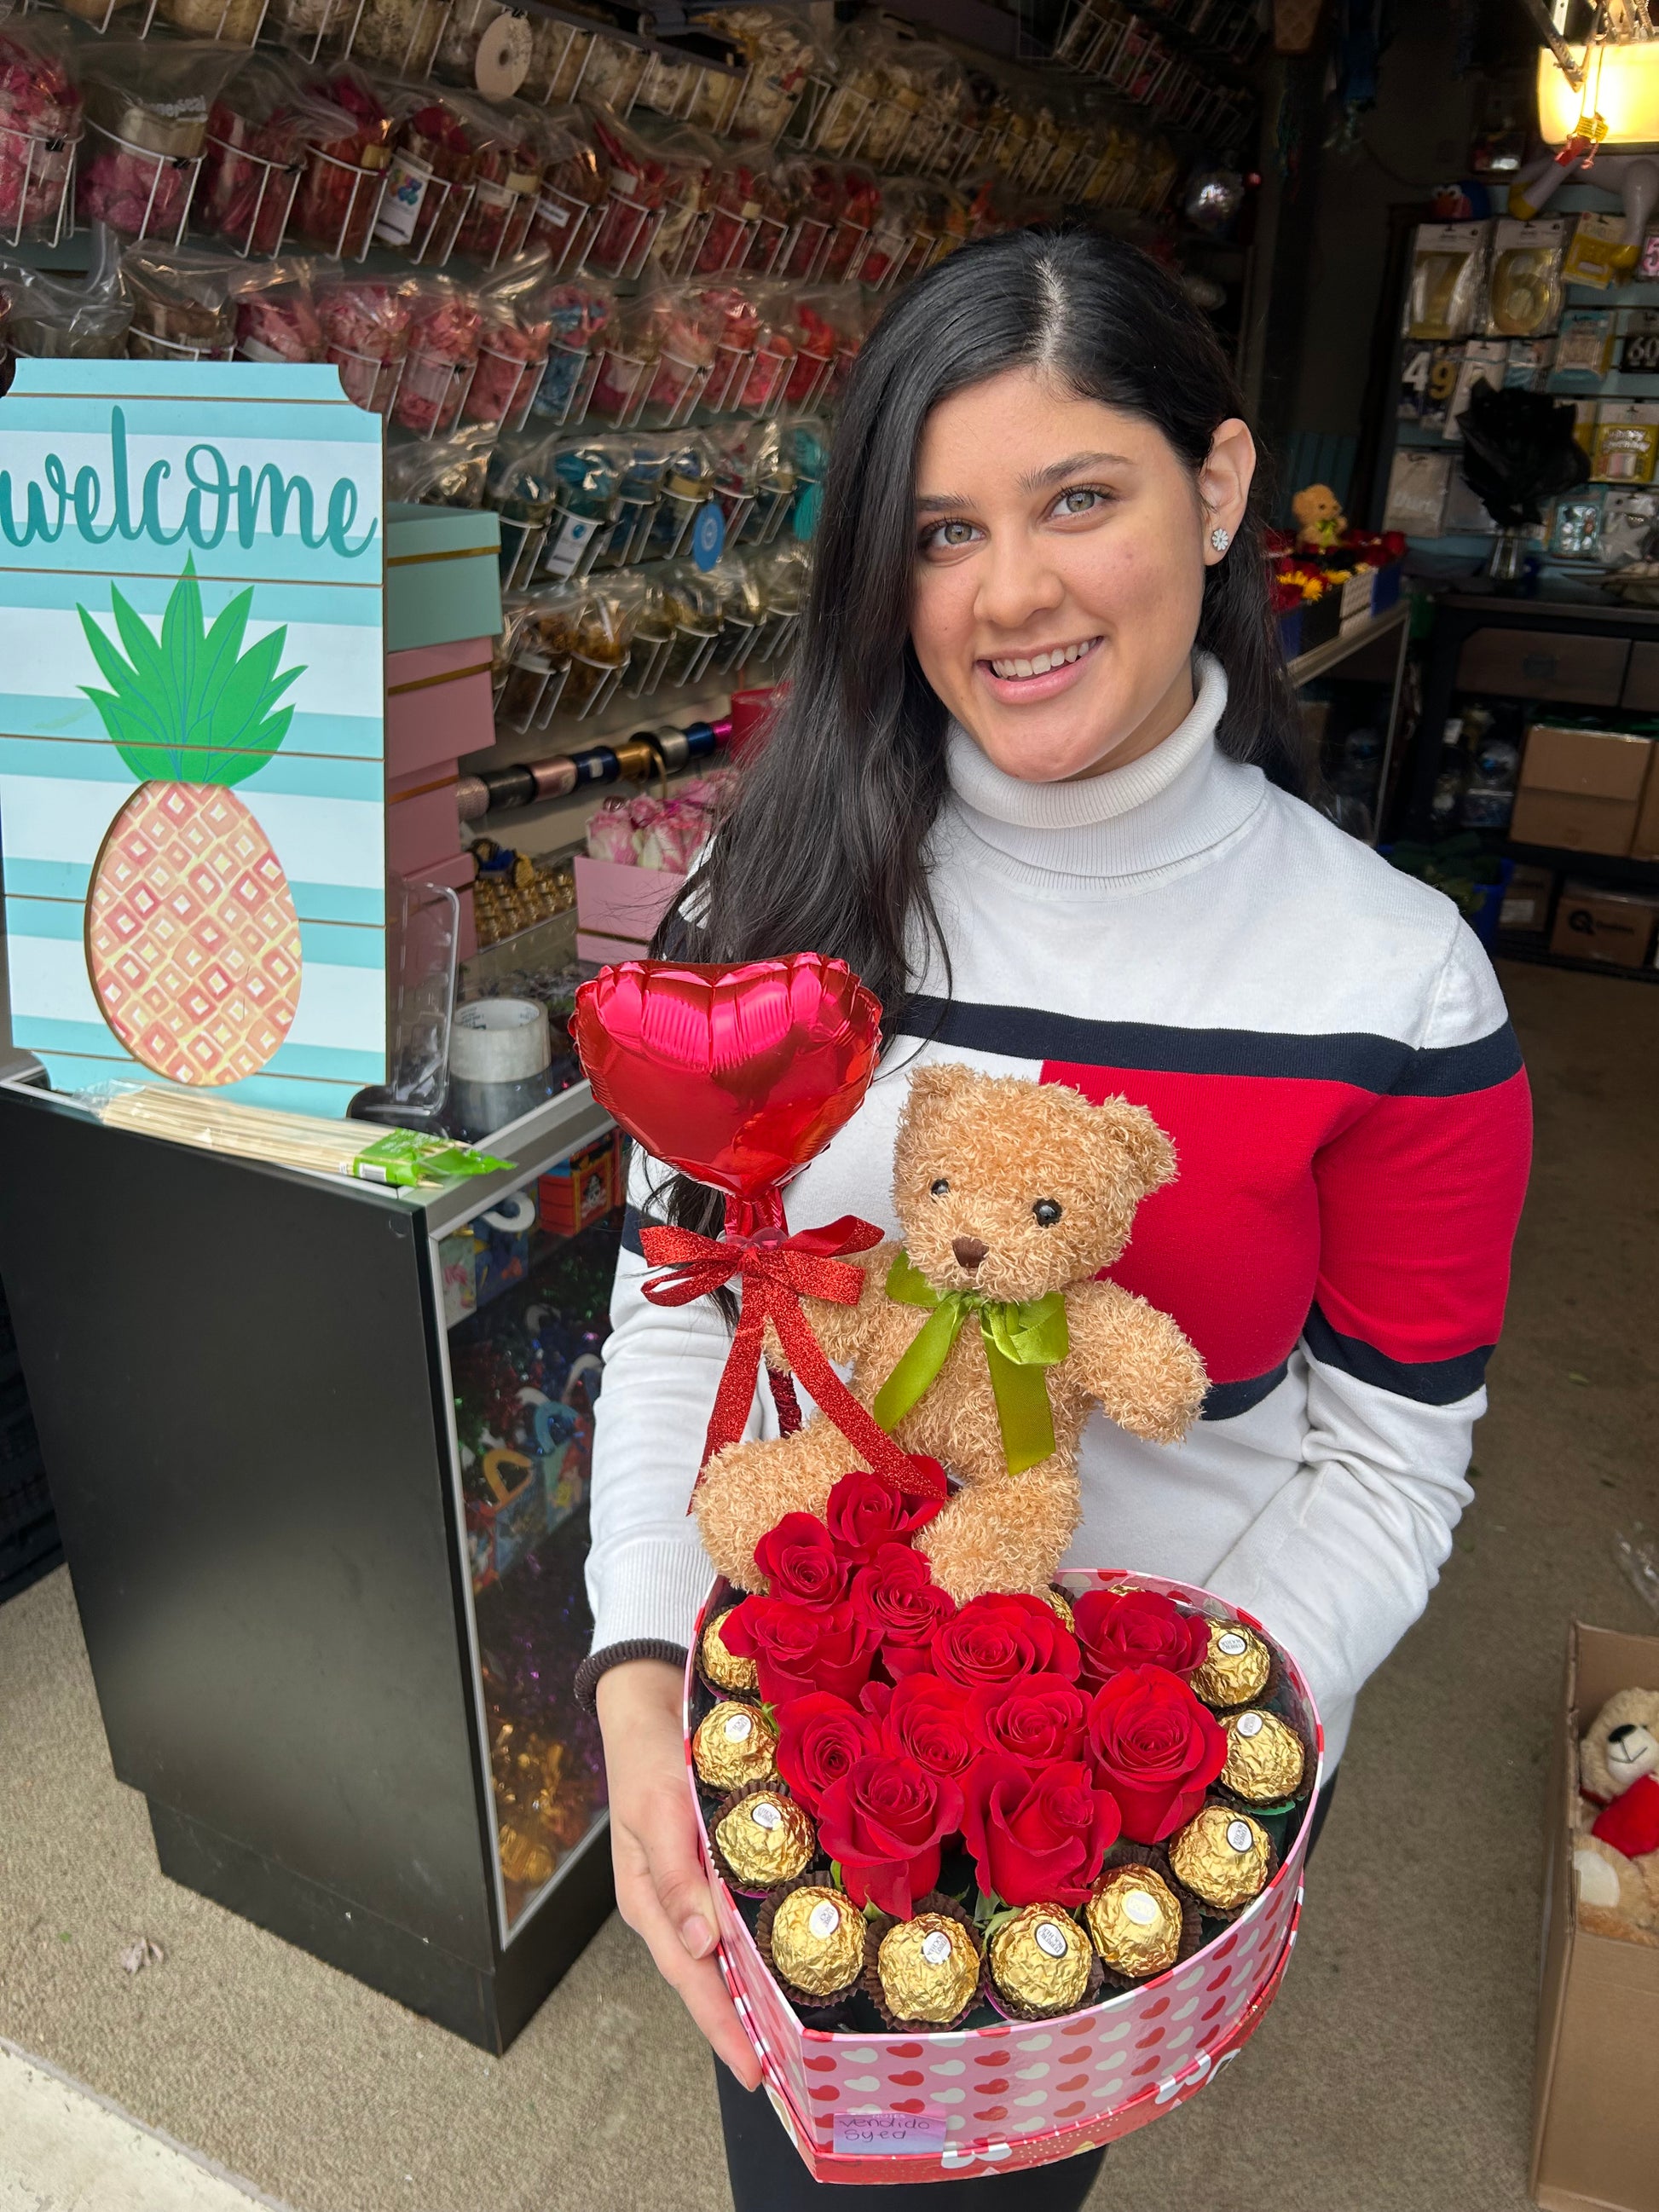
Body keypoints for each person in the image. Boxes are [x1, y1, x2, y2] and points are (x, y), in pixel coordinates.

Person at [575, 228, 1532, 2209]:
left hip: (1083, 1812)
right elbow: (685, 1309)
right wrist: (640, 1671)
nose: (1006, 592)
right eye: (937, 532)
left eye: (1075, 498)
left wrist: (1127, 1763)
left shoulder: (1396, 982)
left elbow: (1384, 1457)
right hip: (799, 1761)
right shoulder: (776, 899)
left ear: (1219, 485)